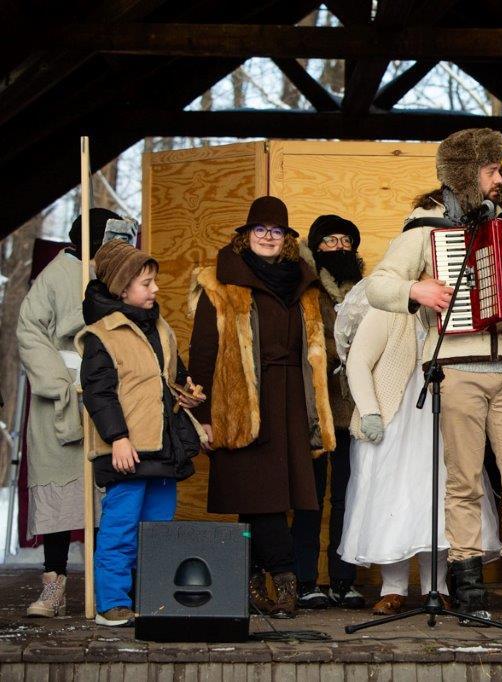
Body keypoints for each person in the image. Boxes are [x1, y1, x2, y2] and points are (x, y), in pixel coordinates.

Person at [364, 128, 502, 625]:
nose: (500, 179)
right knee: (463, 486)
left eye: (500, 169)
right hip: (458, 369)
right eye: (491, 169)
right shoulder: (425, 230)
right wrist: (418, 290)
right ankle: (471, 594)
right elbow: (379, 284)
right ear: (465, 174)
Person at [188, 196, 335, 619]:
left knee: (266, 499)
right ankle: (286, 578)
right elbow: (202, 353)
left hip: (290, 402)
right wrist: (203, 417)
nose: (268, 237)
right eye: (260, 230)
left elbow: (315, 349)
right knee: (261, 497)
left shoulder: (303, 284)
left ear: (287, 241)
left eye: (277, 231)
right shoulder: (221, 284)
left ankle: (250, 582)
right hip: (241, 402)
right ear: (246, 236)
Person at [339, 294, 502, 614]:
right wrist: (370, 410)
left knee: (441, 496)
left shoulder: (454, 309)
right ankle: (394, 588)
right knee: (393, 498)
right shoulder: (385, 306)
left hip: (444, 415)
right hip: (394, 417)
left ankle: (437, 586)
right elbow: (358, 360)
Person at [78, 240, 206, 626]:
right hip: (128, 451)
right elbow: (98, 394)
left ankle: (152, 597)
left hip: (164, 449)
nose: (155, 289)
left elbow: (171, 376)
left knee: (158, 533)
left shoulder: (160, 327)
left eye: (154, 282)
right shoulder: (102, 335)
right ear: (121, 288)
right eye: (146, 283)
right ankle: (112, 602)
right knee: (120, 531)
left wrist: (188, 391)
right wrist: (118, 438)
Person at [16, 207, 120, 618]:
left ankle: (106, 588)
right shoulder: (56, 275)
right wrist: (57, 382)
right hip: (61, 395)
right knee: (61, 492)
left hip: (106, 397)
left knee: (106, 495)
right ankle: (53, 587)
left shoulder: (114, 277)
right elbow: (29, 329)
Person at [291, 215, 366, 610]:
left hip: (354, 410)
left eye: (345, 241)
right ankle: (305, 579)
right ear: (315, 246)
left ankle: (343, 578)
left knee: (347, 497)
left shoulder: (368, 291)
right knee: (310, 498)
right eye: (329, 240)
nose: (338, 247)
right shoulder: (304, 286)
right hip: (314, 408)